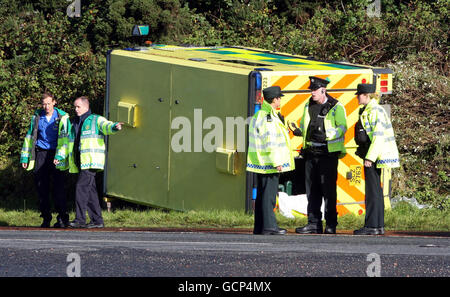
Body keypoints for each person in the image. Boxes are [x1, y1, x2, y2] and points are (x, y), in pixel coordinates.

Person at [289, 76, 347, 234]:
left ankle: (331, 224)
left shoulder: (336, 106)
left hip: (327, 153)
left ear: (323, 90)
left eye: (314, 90)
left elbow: (343, 127)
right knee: (312, 190)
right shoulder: (308, 104)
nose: (312, 93)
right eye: (311, 90)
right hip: (310, 152)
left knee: (328, 190)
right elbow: (305, 124)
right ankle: (313, 223)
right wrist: (300, 133)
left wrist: (329, 135)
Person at [54, 96, 123, 228]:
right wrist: (59, 156)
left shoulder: (96, 119)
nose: (75, 109)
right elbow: (67, 143)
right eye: (75, 106)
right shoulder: (73, 122)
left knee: (81, 188)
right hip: (80, 162)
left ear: (86, 107)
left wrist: (114, 127)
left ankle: (79, 220)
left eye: (78, 107)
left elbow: (106, 125)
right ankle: (97, 221)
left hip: (91, 162)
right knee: (90, 192)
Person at [247, 86, 295, 235]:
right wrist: (277, 162)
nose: (280, 100)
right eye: (279, 98)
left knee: (262, 196)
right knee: (269, 196)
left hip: (262, 162)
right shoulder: (268, 117)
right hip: (269, 163)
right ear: (275, 99)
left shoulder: (261, 115)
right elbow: (271, 142)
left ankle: (260, 226)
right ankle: (269, 226)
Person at [353, 83, 400, 235]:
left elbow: (378, 137)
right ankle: (377, 225)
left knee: (373, 191)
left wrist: (370, 158)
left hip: (375, 155)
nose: (357, 97)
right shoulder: (372, 110)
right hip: (377, 155)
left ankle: (372, 226)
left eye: (359, 94)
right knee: (376, 191)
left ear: (366, 95)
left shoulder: (374, 111)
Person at [20, 92, 70, 228]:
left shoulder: (62, 117)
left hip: (56, 154)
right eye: (44, 104)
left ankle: (62, 218)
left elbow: (66, 139)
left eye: (49, 103)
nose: (46, 106)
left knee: (59, 187)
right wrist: (25, 157)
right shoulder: (37, 117)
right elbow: (29, 137)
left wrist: (60, 156)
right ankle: (46, 218)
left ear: (54, 102)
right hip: (41, 154)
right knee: (42, 187)